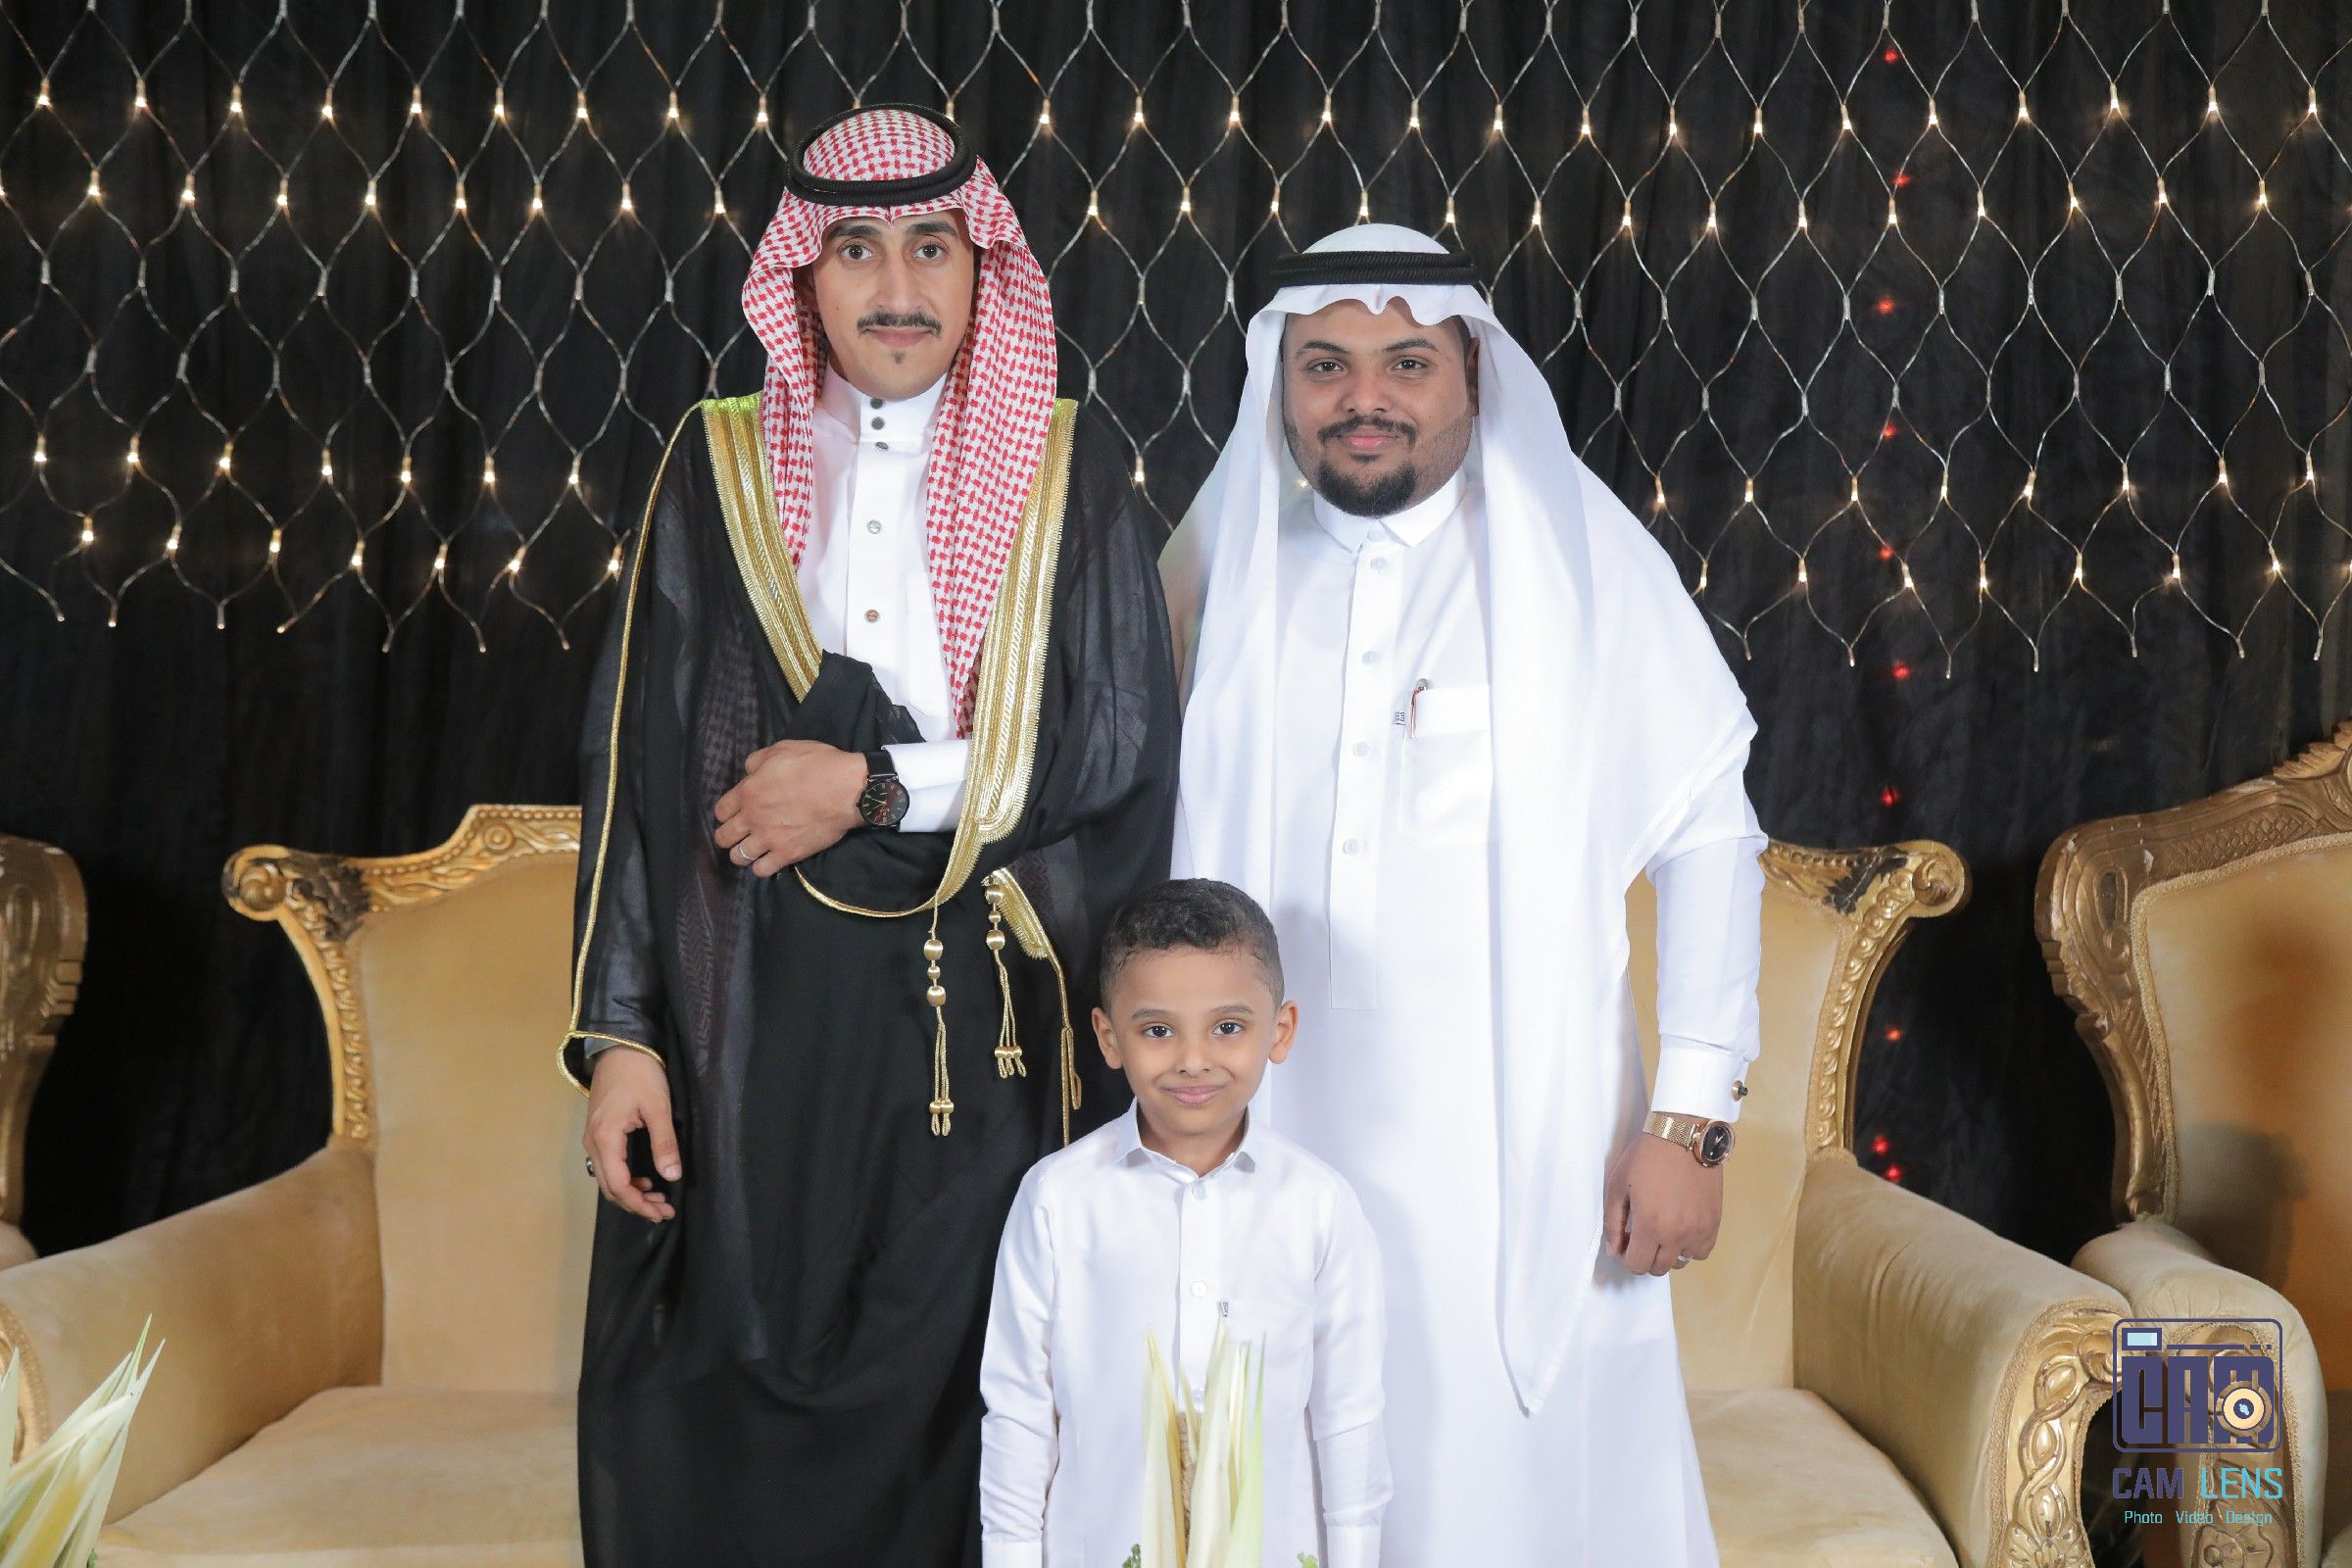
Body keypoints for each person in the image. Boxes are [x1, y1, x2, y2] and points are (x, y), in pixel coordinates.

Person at [560, 103, 1180, 1566]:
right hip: (751, 1008)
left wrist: (873, 786)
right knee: (726, 1379)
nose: (897, 288)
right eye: (856, 250)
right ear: (804, 274)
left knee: (972, 1389)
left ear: (983, 268)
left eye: (930, 248)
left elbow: (1116, 739)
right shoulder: (717, 462)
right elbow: (638, 769)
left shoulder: (1068, 463)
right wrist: (622, 1038)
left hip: (985, 1011)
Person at [1159, 223, 1769, 1564]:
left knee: (1505, 1490)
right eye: (1325, 364)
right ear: (1282, 384)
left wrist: (1691, 1122)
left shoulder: (1574, 557)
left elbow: (1709, 834)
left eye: (1406, 362)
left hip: (1520, 1161)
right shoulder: (1227, 566)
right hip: (1270, 1126)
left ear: (1472, 376)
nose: (1363, 397)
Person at [977, 878, 1391, 1568]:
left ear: (1280, 1031)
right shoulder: (1057, 1201)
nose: (1194, 1059)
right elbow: (1019, 1414)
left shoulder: (1319, 1206)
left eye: (1227, 1027)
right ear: (1109, 1037)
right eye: (1158, 1030)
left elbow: (1349, 1417)